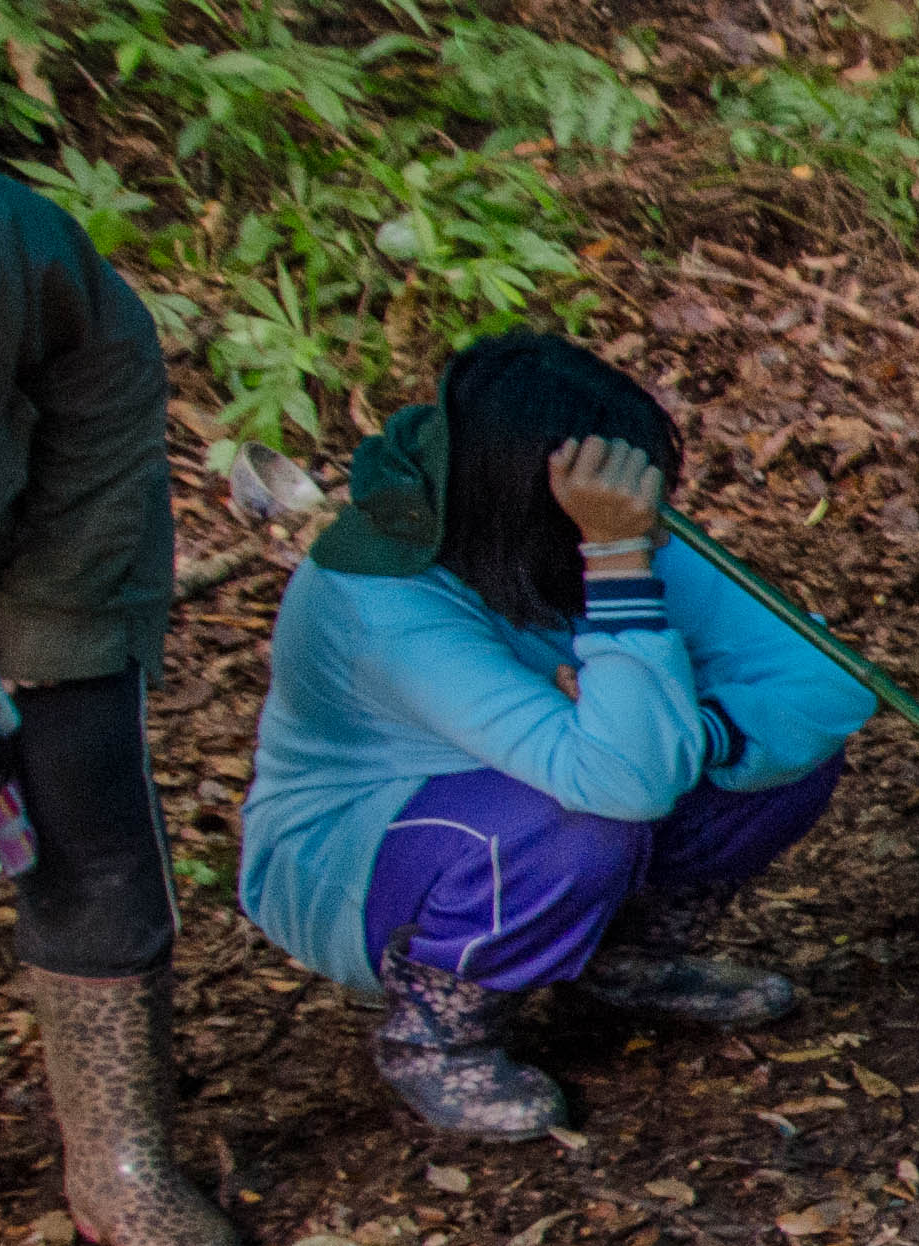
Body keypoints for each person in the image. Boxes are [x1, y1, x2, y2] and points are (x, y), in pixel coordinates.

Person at [238, 332, 869, 1141]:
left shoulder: (579, 537)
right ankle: (436, 1031)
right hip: (362, 856)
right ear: (549, 502)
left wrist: (704, 735)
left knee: (782, 756)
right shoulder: (385, 603)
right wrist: (614, 560)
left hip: (556, 788)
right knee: (582, 820)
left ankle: (623, 961)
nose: (656, 530)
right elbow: (623, 782)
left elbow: (828, 676)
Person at [0, 153, 240, 1246]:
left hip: (44, 514)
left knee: (83, 798)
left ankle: (120, 1163)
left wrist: (56, 616)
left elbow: (104, 375)